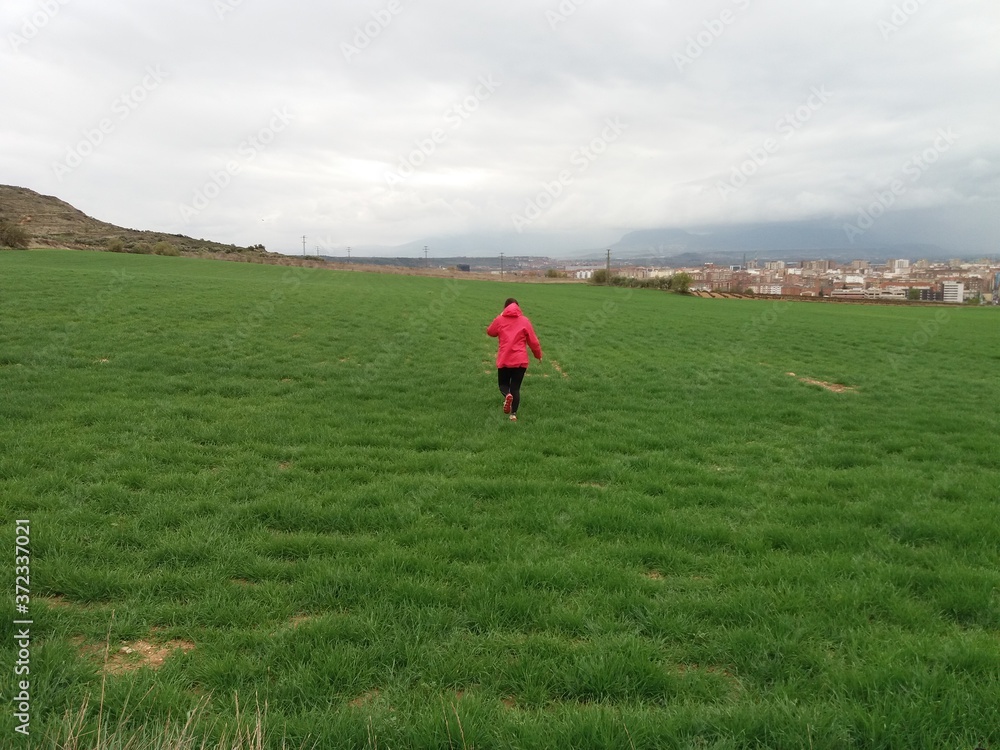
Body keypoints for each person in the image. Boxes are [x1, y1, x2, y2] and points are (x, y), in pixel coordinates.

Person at [486, 298, 542, 421]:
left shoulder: (500, 319)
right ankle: (513, 415)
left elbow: (490, 332)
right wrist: (538, 355)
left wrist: (499, 316)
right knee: (515, 387)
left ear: (505, 307)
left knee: (503, 385)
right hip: (520, 361)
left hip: (505, 359)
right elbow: (533, 341)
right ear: (518, 307)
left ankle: (507, 395)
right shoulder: (525, 321)